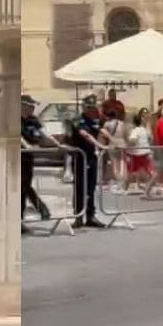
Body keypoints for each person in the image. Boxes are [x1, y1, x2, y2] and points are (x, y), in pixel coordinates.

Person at [70, 97, 107, 228]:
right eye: (91, 108)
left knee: (91, 188)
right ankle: (78, 217)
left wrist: (113, 141)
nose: (94, 110)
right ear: (85, 108)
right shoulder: (77, 120)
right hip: (80, 158)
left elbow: (102, 131)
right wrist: (98, 144)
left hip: (91, 157)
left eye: (95, 107)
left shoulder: (94, 121)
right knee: (80, 188)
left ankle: (90, 217)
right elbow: (85, 135)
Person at [21, 96, 54, 224]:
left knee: (24, 185)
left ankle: (24, 217)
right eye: (31, 106)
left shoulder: (33, 120)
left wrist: (57, 144)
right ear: (22, 106)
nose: (33, 108)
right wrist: (26, 146)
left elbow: (44, 134)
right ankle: (41, 209)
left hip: (28, 157)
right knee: (21, 186)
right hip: (15, 155)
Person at [124, 109, 155, 198]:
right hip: (135, 154)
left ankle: (147, 191)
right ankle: (125, 189)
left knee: (150, 173)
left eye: (147, 114)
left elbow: (149, 140)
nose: (147, 116)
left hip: (145, 153)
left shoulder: (146, 129)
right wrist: (132, 142)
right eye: (144, 115)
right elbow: (132, 140)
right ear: (141, 118)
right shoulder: (137, 130)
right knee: (130, 174)